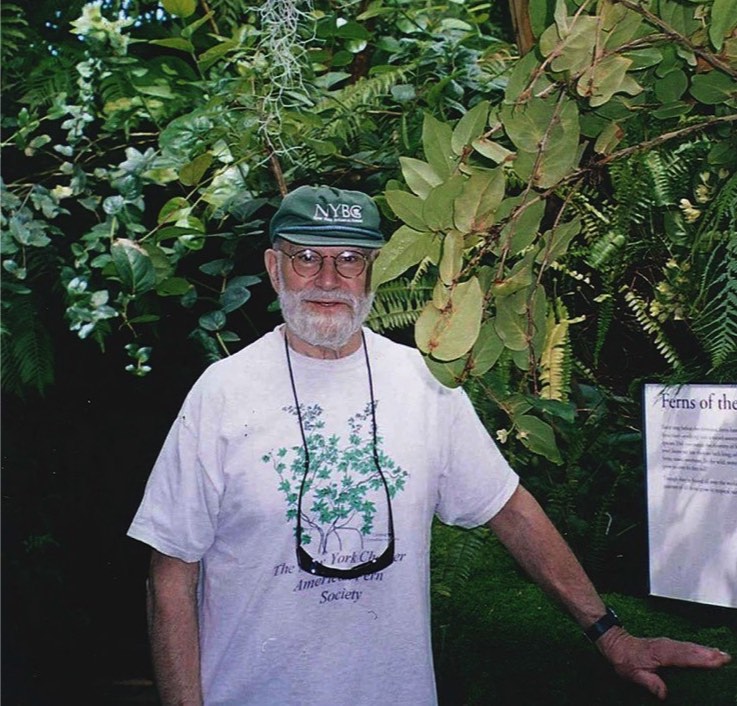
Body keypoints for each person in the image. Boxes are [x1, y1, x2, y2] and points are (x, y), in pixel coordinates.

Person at [128, 185, 730, 706]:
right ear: (274, 266)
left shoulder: (422, 379)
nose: (329, 280)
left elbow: (511, 510)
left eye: (350, 260)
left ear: (373, 271)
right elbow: (171, 574)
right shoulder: (222, 392)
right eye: (307, 258)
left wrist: (611, 636)